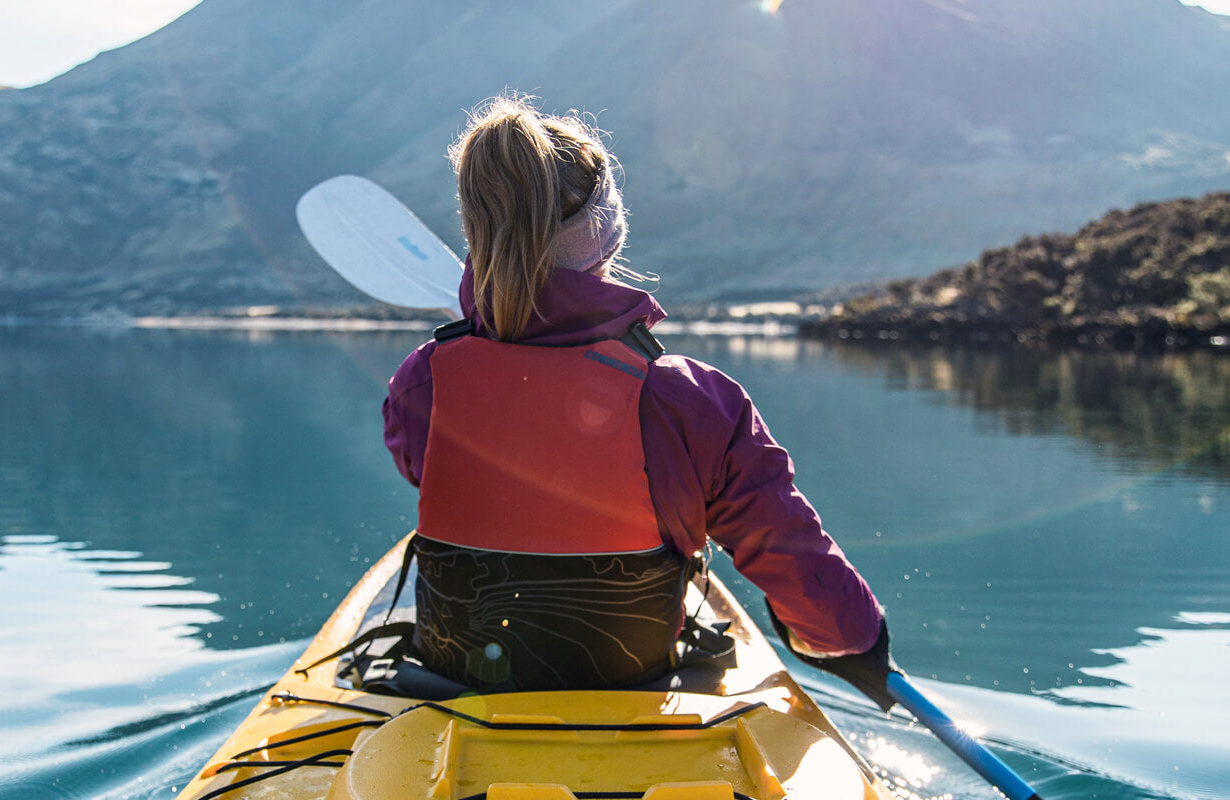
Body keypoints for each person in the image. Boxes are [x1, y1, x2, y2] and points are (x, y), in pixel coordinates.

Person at [382, 94, 898, 709]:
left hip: (460, 683)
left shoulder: (422, 382)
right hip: (634, 686)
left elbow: (430, 467)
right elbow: (795, 564)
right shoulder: (691, 399)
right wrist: (856, 644)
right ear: (604, 232)